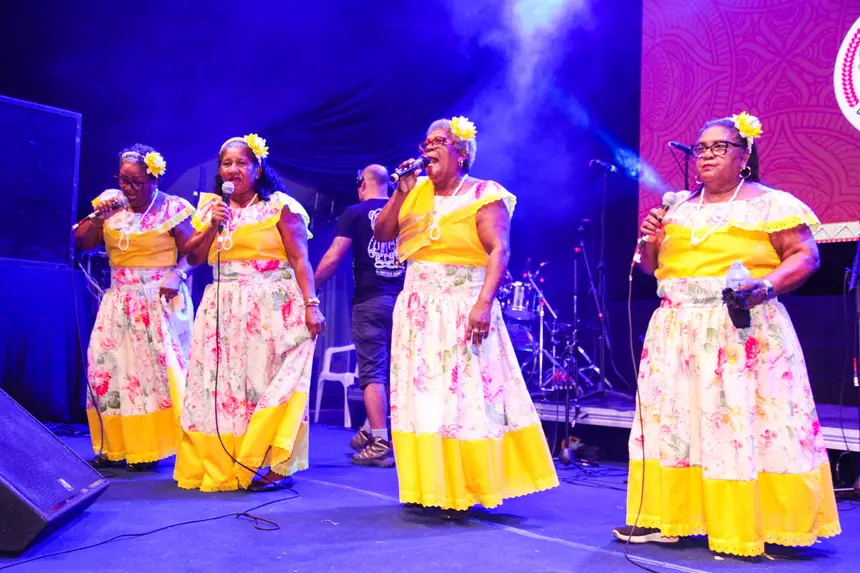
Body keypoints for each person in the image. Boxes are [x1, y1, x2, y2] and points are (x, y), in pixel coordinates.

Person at [613, 113, 840, 555]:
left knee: (741, 425)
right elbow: (648, 268)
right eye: (702, 148)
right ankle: (667, 517)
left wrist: (768, 286)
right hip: (677, 330)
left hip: (739, 326)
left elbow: (805, 256)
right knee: (676, 427)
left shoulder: (771, 203)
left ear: (745, 155)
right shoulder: (676, 206)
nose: (707, 156)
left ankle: (757, 522)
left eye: (720, 147)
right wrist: (653, 241)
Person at [373, 116, 559, 516]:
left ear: (461, 152)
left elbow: (499, 250)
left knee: (463, 400)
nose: (428, 147)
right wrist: (398, 194)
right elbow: (383, 234)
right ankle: (430, 486)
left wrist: (483, 304)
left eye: (439, 141)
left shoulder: (483, 194)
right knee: (423, 400)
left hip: (462, 304)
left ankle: (466, 487)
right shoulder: (413, 190)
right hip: (418, 307)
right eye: (426, 141)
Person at [174, 134, 325, 492]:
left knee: (263, 384)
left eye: (242, 163)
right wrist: (211, 225)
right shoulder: (212, 208)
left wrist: (311, 303)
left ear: (257, 169)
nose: (234, 169)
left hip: (270, 305)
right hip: (222, 306)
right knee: (224, 390)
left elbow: (300, 259)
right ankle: (225, 462)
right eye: (227, 163)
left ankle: (272, 464)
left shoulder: (280, 207)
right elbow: (193, 257)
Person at [74, 144, 195, 471]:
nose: (129, 188)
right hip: (119, 298)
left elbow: (194, 253)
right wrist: (100, 216)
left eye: (137, 182)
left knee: (151, 375)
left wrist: (178, 272)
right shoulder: (109, 206)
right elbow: (81, 243)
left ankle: (151, 448)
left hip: (158, 297)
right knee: (108, 370)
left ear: (154, 179)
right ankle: (112, 446)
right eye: (124, 181)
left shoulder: (172, 208)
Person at [314, 165, 404, 467]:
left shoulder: (355, 212)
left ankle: (379, 440)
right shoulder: (406, 209)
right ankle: (368, 428)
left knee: (372, 373)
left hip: (371, 301)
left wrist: (310, 288)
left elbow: (334, 256)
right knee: (394, 372)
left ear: (362, 184)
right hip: (406, 302)